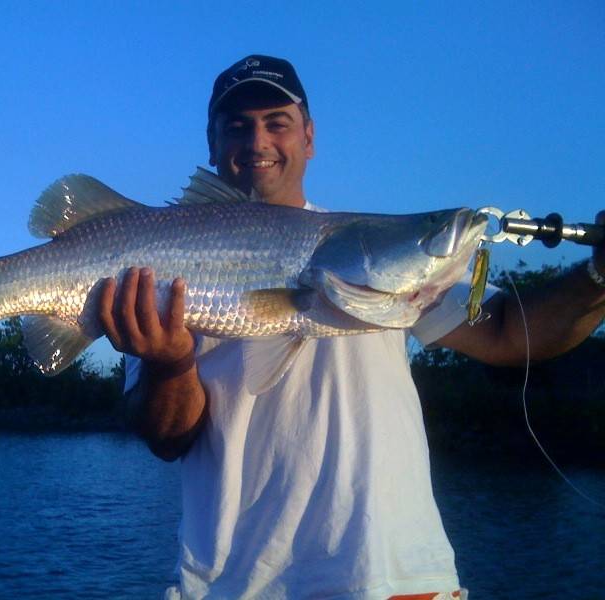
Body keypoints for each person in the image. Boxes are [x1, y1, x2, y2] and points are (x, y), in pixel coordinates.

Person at [97, 55, 605, 599]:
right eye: (236, 126)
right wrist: (169, 361)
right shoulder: (153, 263)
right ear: (213, 145)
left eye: (278, 122)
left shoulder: (388, 272)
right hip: (232, 585)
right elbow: (168, 438)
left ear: (309, 137)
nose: (257, 141)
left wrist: (598, 274)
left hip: (391, 577)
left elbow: (509, 333)